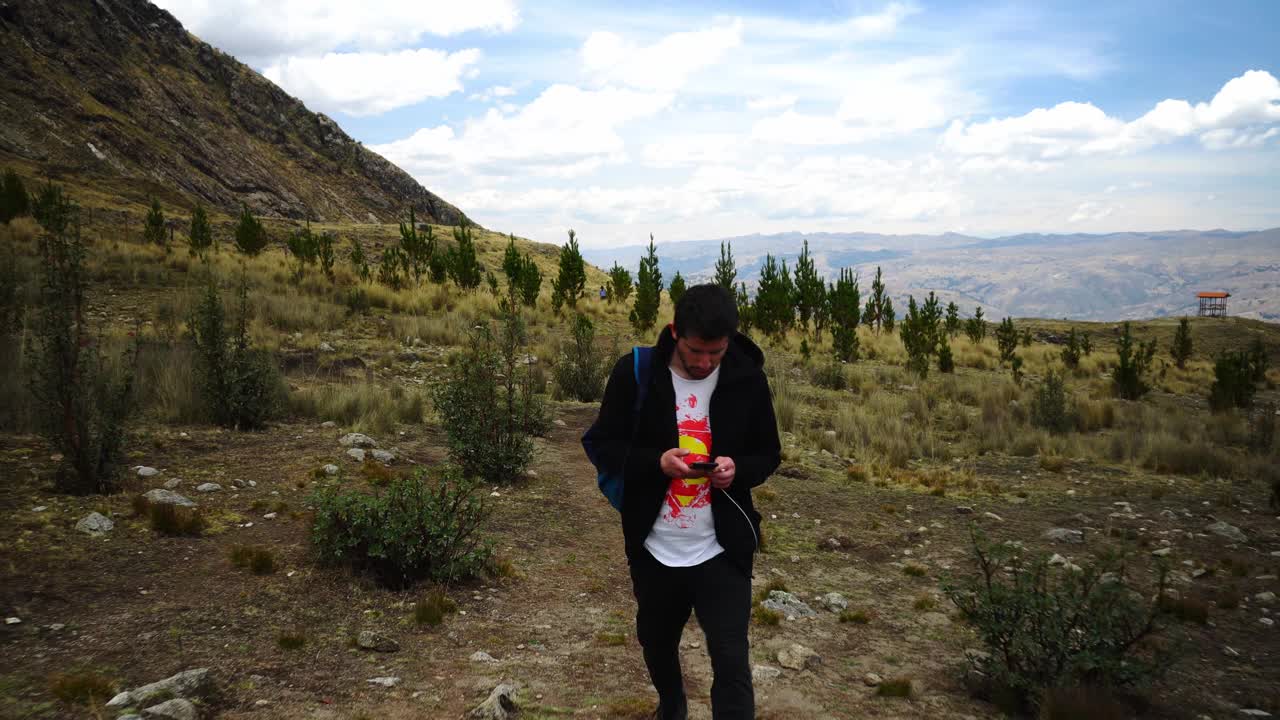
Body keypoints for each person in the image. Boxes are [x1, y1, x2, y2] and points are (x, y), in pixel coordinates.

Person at [582, 283, 781, 719]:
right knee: (656, 641)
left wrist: (737, 470)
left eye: (717, 352)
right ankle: (671, 704)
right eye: (696, 351)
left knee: (731, 659)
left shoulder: (747, 378)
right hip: (654, 546)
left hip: (722, 548)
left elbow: (768, 454)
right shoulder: (636, 372)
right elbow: (602, 445)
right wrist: (658, 462)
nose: (705, 362)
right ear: (675, 332)